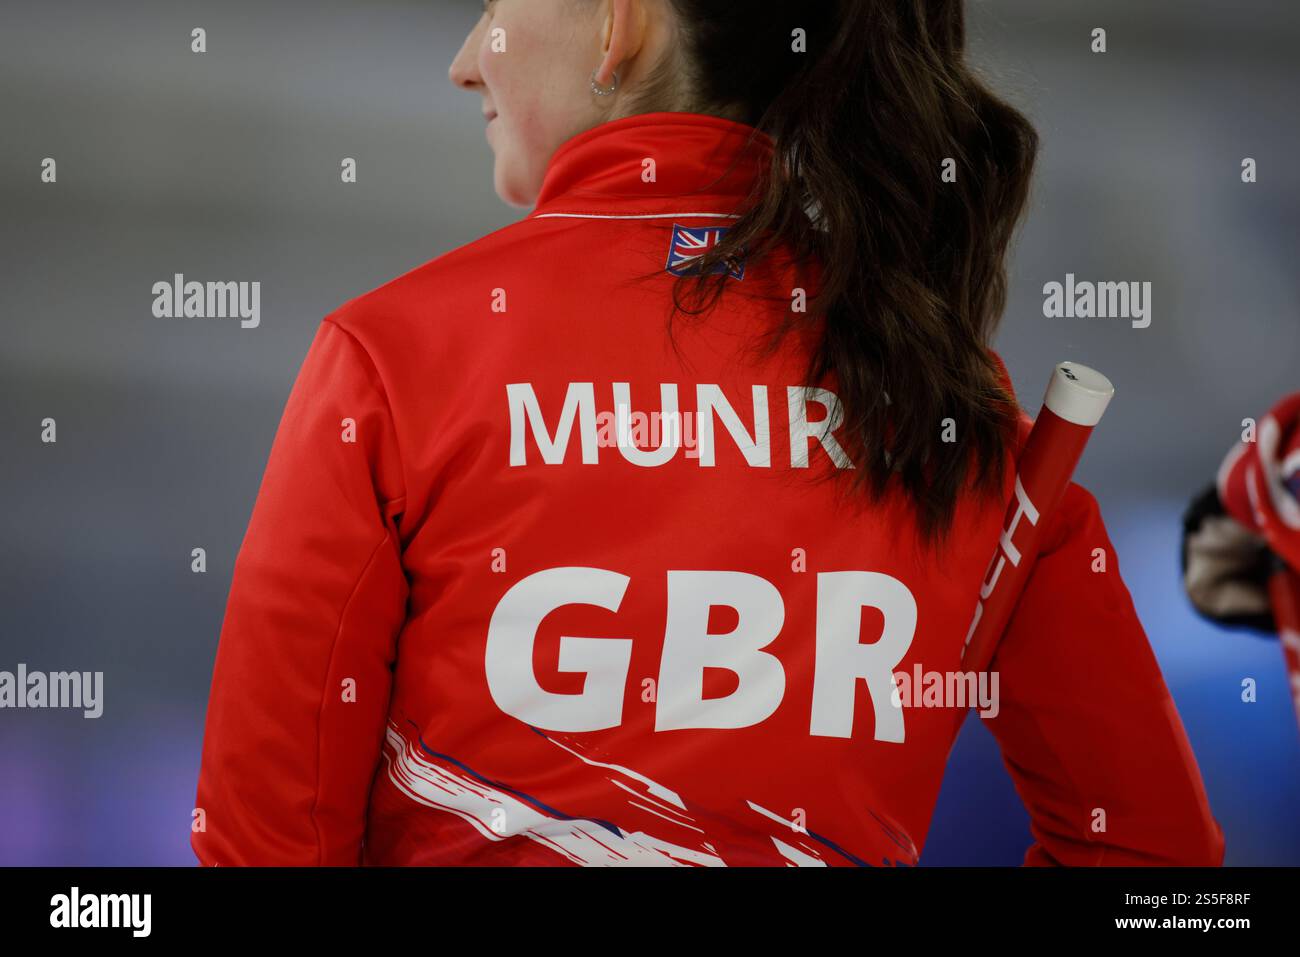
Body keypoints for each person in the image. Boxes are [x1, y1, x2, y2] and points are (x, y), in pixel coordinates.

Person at [191, 0, 1224, 866]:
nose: (466, 63)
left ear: (620, 25)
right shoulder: (958, 404)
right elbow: (1159, 866)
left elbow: (262, 845)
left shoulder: (393, 354)